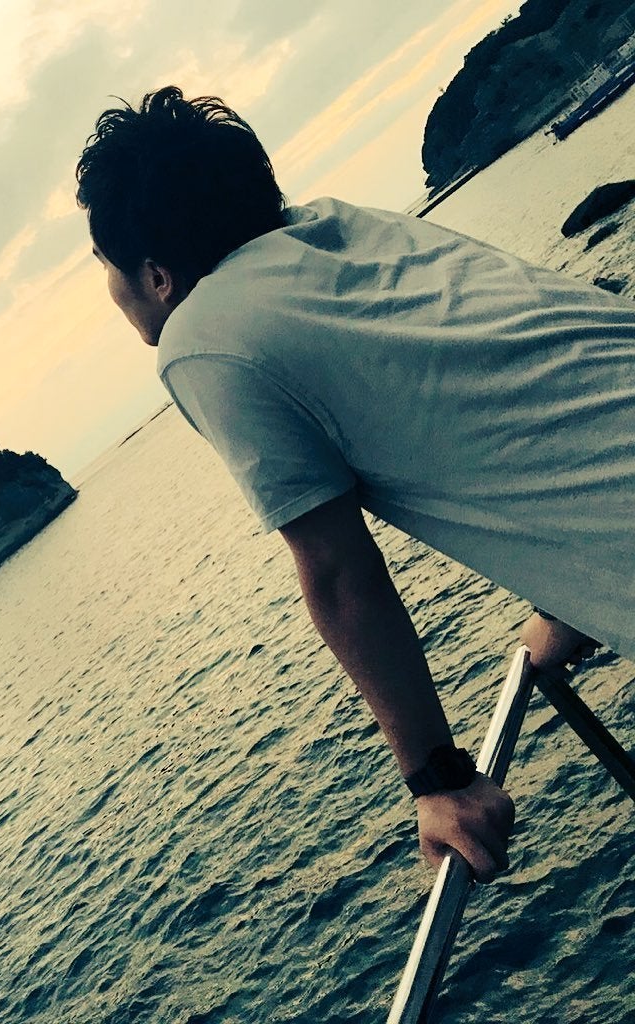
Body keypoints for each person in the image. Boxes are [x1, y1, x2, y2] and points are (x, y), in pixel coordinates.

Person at [75, 86, 635, 884]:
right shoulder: (349, 228)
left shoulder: (203, 339)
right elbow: (525, 382)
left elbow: (338, 570)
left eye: (106, 267)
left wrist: (438, 782)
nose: (111, 290)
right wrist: (565, 601)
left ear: (157, 276)